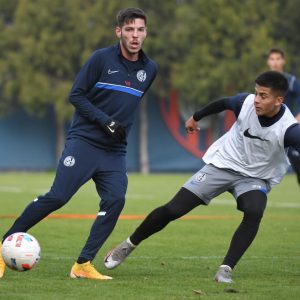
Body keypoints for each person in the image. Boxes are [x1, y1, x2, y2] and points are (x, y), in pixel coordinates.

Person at [0, 7, 157, 280]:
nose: (135, 35)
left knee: (115, 199)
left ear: (146, 32)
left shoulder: (150, 69)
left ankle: (83, 265)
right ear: (118, 32)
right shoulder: (101, 59)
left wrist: (118, 130)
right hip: (84, 141)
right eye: (129, 29)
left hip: (114, 151)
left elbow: (129, 105)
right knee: (58, 197)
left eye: (140, 29)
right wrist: (105, 121)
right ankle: (3, 246)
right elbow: (76, 95)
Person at [104, 71, 300, 283]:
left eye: (263, 96)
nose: (257, 100)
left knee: (254, 211)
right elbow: (223, 103)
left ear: (279, 100)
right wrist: (196, 116)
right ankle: (127, 245)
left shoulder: (289, 129)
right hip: (223, 164)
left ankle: (225, 269)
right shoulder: (245, 102)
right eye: (256, 93)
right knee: (173, 209)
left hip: (254, 177)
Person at [267, 47, 300, 185]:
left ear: (283, 61)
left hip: (289, 130)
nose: (275, 62)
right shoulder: (264, 82)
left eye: (278, 59)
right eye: (272, 59)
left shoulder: (291, 81)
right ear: (268, 62)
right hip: (269, 132)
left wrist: (294, 123)